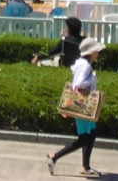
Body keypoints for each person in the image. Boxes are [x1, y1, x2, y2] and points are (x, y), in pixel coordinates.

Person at [47, 38, 105, 177]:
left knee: (91, 134)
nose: (98, 53)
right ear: (91, 52)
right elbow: (79, 84)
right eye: (97, 51)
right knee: (84, 138)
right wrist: (92, 78)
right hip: (83, 105)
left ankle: (86, 167)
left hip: (85, 106)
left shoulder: (81, 63)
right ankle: (54, 156)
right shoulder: (85, 66)